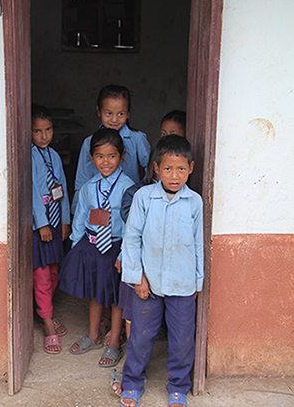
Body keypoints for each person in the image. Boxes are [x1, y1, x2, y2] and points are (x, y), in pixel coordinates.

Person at [119, 134, 204, 407]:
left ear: (191, 167)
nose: (175, 175)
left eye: (181, 169)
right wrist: (137, 278)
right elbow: (131, 238)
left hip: (182, 284)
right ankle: (132, 381)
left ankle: (178, 386)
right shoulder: (144, 198)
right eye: (167, 168)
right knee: (141, 337)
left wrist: (196, 283)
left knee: (182, 341)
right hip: (149, 284)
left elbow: (198, 244)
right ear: (156, 168)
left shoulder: (194, 202)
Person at [59, 128, 134, 367]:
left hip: (115, 248)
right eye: (100, 156)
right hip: (92, 246)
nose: (105, 161)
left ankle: (113, 343)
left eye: (112, 156)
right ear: (91, 158)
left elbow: (132, 225)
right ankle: (93, 334)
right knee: (94, 293)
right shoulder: (88, 187)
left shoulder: (128, 187)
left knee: (115, 297)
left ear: (121, 157)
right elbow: (81, 216)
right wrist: (75, 247)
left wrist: (124, 254)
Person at [71, 84, 150, 213]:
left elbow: (152, 168)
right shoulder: (89, 142)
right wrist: (76, 210)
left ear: (128, 113)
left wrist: (142, 192)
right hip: (97, 206)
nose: (114, 119)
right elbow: (82, 179)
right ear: (98, 111)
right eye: (108, 113)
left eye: (120, 114)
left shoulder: (137, 139)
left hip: (129, 206)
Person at [31, 104, 71, 354]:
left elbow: (63, 187)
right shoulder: (29, 155)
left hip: (56, 224)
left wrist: (64, 219)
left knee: (55, 272)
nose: (44, 136)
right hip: (41, 226)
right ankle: (46, 323)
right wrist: (42, 223)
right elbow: (33, 192)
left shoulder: (54, 155)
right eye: (37, 131)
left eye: (48, 129)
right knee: (43, 276)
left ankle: (47, 311)